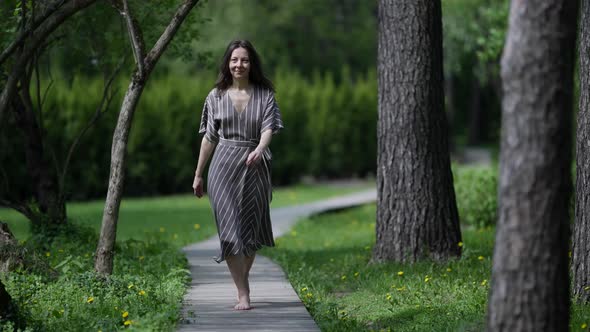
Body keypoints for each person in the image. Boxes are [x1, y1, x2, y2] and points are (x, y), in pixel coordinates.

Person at [192, 40, 283, 310]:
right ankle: (243, 292)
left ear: (251, 63)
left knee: (250, 232)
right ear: (227, 64)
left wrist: (260, 148)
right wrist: (198, 174)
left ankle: (241, 281)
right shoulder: (215, 96)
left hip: (255, 167)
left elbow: (269, 127)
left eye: (244, 60)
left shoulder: (265, 94)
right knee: (230, 232)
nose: (239, 65)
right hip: (222, 168)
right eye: (234, 60)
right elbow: (209, 138)